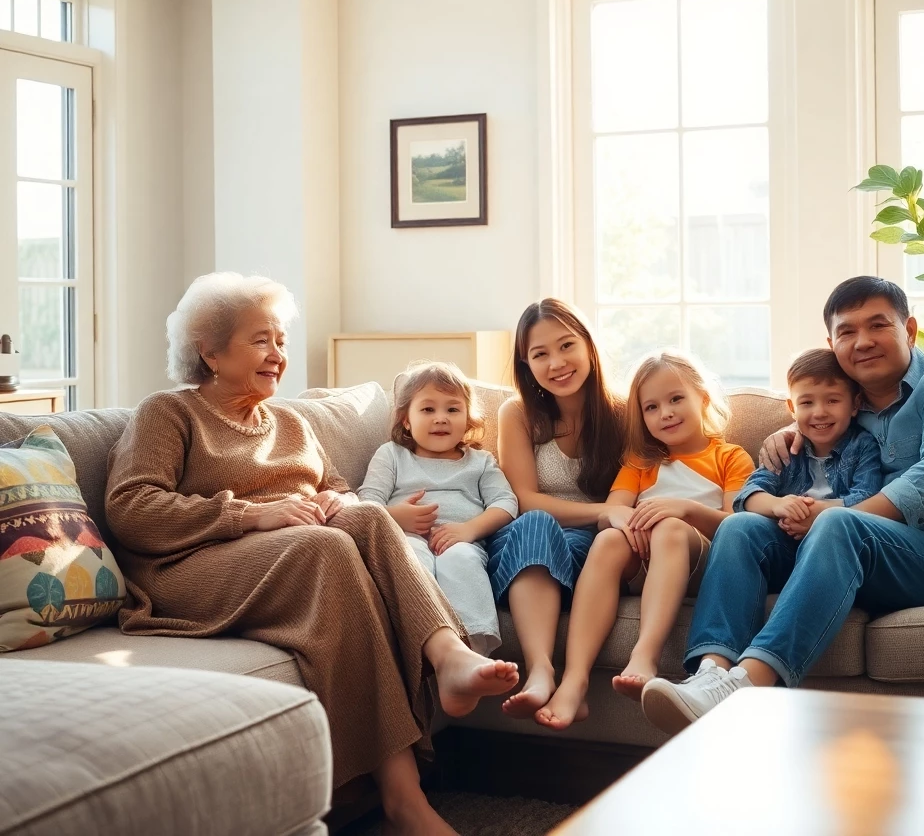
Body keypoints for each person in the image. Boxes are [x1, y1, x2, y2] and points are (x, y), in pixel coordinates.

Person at [105, 273, 518, 836]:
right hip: (191, 568)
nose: (278, 355)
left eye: (280, 340)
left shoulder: (292, 422)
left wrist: (333, 498)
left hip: (291, 551)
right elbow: (131, 507)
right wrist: (250, 514)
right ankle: (403, 798)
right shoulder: (169, 413)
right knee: (324, 547)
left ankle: (448, 658)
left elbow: (345, 489)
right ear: (210, 351)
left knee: (367, 517)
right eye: (261, 341)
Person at [641, 276, 924, 736]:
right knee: (740, 529)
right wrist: (792, 432)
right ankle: (709, 674)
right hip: (854, 556)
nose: (863, 341)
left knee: (838, 523)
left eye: (878, 325)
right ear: (832, 343)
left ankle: (747, 685)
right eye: (847, 332)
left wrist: (830, 517)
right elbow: (808, 428)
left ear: (909, 330)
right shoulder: (847, 411)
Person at [533, 350, 753, 730]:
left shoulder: (729, 457)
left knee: (668, 528)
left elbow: (737, 527)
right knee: (607, 542)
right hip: (644, 555)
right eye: (651, 407)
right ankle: (574, 680)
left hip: (702, 562)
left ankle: (645, 656)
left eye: (675, 399)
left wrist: (683, 509)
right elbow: (614, 511)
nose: (665, 413)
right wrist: (627, 523)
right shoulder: (640, 462)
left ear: (702, 398)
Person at [486, 299, 625, 719]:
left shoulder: (623, 412)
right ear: (526, 364)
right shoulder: (519, 414)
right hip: (524, 541)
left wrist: (608, 517)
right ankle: (541, 670)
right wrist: (603, 511)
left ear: (588, 347)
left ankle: (559, 679)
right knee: (536, 521)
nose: (557, 363)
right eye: (539, 354)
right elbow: (523, 498)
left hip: (586, 551)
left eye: (566, 346)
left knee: (567, 531)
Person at [359, 361, 518, 654]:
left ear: (468, 420)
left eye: (453, 409)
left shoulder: (480, 462)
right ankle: (423, 645)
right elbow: (366, 502)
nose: (441, 418)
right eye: (428, 409)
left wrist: (469, 529)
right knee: (412, 558)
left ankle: (473, 650)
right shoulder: (392, 455)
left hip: (460, 542)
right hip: (404, 539)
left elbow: (506, 502)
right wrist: (395, 517)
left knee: (460, 561)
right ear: (405, 419)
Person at [737, 348, 881, 524]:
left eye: (832, 400)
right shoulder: (785, 448)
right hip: (781, 537)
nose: (819, 412)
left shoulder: (863, 445)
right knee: (737, 523)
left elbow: (867, 497)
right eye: (806, 403)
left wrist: (816, 512)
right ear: (792, 408)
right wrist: (777, 504)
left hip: (835, 533)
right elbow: (747, 494)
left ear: (855, 404)